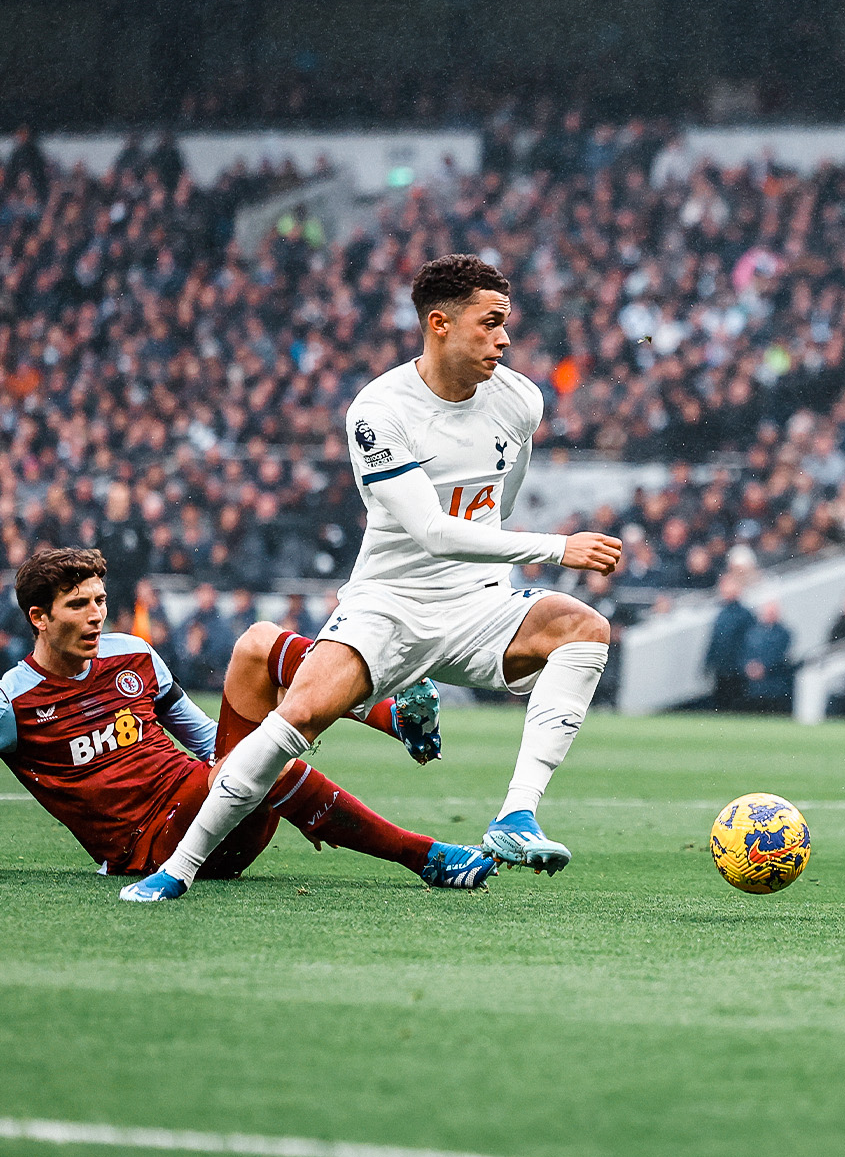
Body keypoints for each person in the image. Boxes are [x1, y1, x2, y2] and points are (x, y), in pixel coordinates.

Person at [125, 254, 622, 902]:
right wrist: (559, 548)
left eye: (507, 324)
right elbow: (433, 532)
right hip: (390, 606)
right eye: (490, 322)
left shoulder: (521, 401)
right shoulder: (379, 411)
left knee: (585, 630)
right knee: (296, 717)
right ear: (439, 324)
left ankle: (514, 817)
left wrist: (505, 581)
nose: (504, 338)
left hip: (478, 605)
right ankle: (178, 869)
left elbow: (500, 502)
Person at [0, 548, 493, 892]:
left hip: (212, 807)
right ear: (39, 617)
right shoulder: (12, 701)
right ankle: (423, 855)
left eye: (100, 601)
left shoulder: (135, 654)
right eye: (78, 605)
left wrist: (256, 744)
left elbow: (202, 734)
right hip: (150, 846)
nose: (96, 616)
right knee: (264, 761)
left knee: (258, 644)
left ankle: (394, 718)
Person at [703, 574, 754, 710]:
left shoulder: (745, 614)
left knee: (736, 704)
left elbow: (750, 642)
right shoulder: (721, 613)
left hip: (737, 669)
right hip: (722, 668)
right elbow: (715, 641)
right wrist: (708, 663)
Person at [741, 599, 794, 714]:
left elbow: (778, 654)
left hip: (774, 683)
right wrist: (748, 666)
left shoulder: (784, 632)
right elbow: (745, 652)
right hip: (755, 685)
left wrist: (762, 667)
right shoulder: (753, 632)